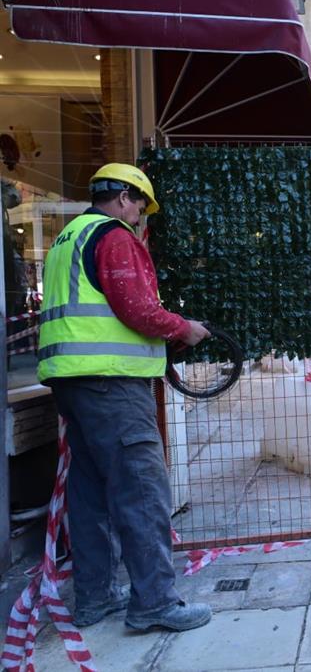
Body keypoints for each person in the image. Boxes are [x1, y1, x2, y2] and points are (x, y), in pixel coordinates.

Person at [37, 163, 213, 631]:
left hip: (72, 384)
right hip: (111, 385)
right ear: (122, 197)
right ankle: (154, 603)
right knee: (141, 492)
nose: (139, 217)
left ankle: (94, 600)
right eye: (139, 205)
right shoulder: (113, 235)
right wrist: (184, 329)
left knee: (90, 493)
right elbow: (136, 308)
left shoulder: (65, 239)